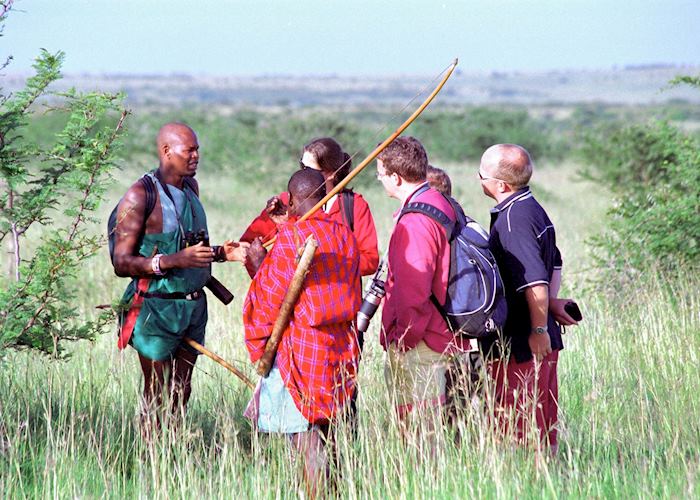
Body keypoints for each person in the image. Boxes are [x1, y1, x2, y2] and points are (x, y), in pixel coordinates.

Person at [112, 122, 248, 433]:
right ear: (166, 152)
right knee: (156, 392)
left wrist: (222, 253)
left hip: (193, 307)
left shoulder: (190, 188)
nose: (197, 155)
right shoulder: (140, 195)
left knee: (181, 391)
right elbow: (121, 263)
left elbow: (190, 249)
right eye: (190, 150)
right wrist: (173, 261)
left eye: (197, 149)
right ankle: (152, 463)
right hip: (155, 310)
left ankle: (173, 454)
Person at [242, 168, 361, 495]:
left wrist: (258, 267)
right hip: (338, 349)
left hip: (302, 353)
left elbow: (268, 303)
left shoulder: (292, 239)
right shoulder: (344, 234)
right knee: (328, 438)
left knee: (307, 443)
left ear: (292, 200)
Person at [478, 143, 579, 454]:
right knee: (542, 423)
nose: (479, 180)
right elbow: (556, 263)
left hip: (522, 343)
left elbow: (535, 280)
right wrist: (550, 307)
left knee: (517, 428)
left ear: (501, 185)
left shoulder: (513, 219)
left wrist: (538, 330)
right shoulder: (532, 206)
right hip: (540, 334)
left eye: (481, 175)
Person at [376, 136, 468, 446]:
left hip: (421, 341)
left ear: (396, 177)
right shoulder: (437, 201)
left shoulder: (415, 220)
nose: (379, 179)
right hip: (438, 333)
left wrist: (403, 338)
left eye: (380, 173)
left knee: (418, 434)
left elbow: (413, 289)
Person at [240, 137, 379, 277]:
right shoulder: (286, 201)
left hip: (336, 293)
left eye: (309, 169)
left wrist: (324, 266)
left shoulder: (354, 205)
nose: (303, 174)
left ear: (331, 173)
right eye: (302, 167)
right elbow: (247, 247)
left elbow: (370, 260)